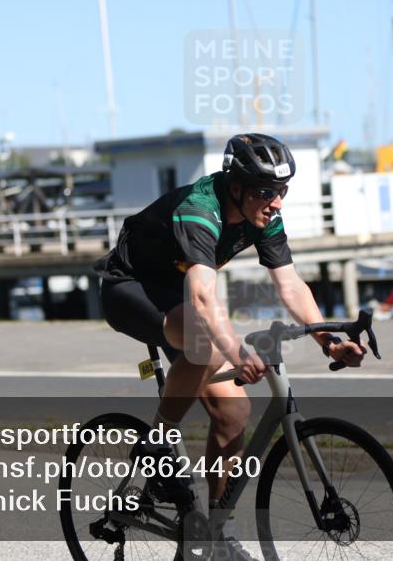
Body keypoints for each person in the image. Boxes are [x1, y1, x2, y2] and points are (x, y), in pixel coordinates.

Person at [94, 133, 365, 559]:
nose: (276, 202)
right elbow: (203, 298)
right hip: (131, 289)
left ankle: (215, 536)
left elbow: (291, 285)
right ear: (235, 186)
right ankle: (156, 443)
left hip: (179, 296)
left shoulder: (263, 215)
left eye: (282, 192)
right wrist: (238, 352)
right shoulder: (202, 209)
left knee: (235, 412)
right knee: (206, 342)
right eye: (265, 192)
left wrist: (328, 341)